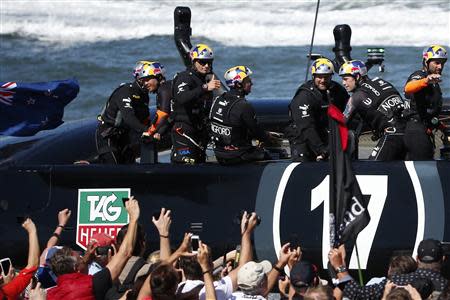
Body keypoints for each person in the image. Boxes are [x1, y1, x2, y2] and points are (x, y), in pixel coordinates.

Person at [47, 197, 141, 299]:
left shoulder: (49, 294)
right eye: (81, 258)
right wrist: (133, 218)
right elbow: (125, 253)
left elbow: (48, 251)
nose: (84, 256)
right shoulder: (91, 284)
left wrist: (86, 261)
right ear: (75, 268)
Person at [96, 61, 166, 164]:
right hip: (108, 135)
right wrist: (147, 130)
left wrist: (157, 131)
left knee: (129, 164)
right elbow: (129, 117)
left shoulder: (144, 96)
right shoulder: (125, 91)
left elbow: (145, 119)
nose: (147, 83)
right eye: (145, 80)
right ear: (140, 79)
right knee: (112, 165)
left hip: (124, 136)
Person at [339, 60, 409, 160]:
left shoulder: (357, 96)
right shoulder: (382, 82)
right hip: (409, 132)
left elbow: (342, 123)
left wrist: (325, 151)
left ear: (357, 77)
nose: (343, 83)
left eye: (346, 79)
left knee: (372, 168)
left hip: (392, 135)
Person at [285, 58, 349, 162]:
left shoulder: (338, 91)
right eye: (319, 77)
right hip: (302, 136)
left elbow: (348, 112)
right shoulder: (304, 96)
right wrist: (321, 150)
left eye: (326, 77)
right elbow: (306, 127)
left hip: (324, 133)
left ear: (331, 76)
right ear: (313, 76)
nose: (323, 80)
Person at [209, 66, 272, 165]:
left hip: (219, 154)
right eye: (248, 81)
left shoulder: (218, 99)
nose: (251, 83)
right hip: (237, 155)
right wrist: (268, 137)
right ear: (238, 84)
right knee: (273, 154)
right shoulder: (244, 106)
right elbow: (257, 133)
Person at [171, 43, 221, 164]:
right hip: (184, 129)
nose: (206, 66)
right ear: (194, 62)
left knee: (200, 161)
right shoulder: (185, 77)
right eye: (202, 62)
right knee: (187, 163)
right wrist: (204, 88)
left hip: (199, 129)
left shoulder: (206, 78)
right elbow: (181, 98)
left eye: (209, 62)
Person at [404, 45, 447, 160]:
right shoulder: (420, 76)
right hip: (415, 131)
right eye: (437, 63)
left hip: (423, 130)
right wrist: (426, 80)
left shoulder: (434, 81)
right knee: (422, 169)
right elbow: (408, 87)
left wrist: (441, 127)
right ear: (426, 62)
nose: (440, 66)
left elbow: (428, 108)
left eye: (442, 63)